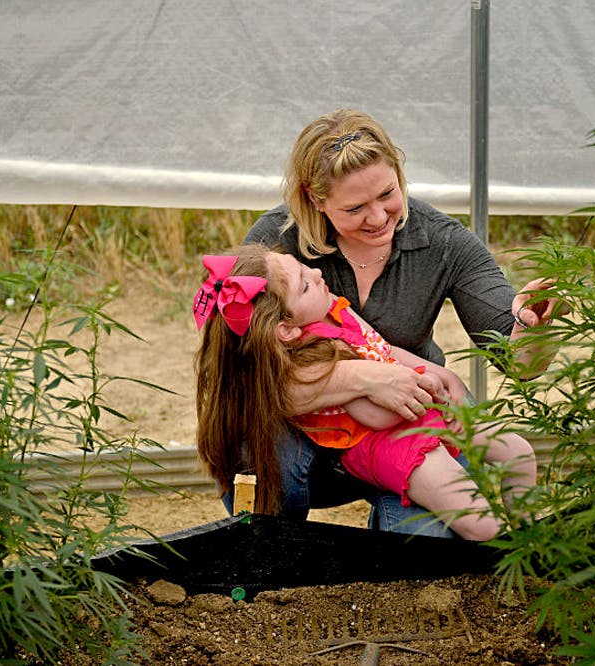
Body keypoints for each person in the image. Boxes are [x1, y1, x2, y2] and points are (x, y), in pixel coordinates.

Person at [241, 108, 562, 536]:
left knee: (423, 550)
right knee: (261, 449)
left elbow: (517, 360)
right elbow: (242, 374)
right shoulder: (274, 251)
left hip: (410, 426)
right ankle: (266, 551)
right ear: (316, 200)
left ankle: (503, 540)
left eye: (388, 195)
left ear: (398, 171)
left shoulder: (444, 241)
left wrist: (533, 327)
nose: (377, 218)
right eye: (355, 207)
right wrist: (368, 379)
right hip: (310, 431)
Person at [193, 245, 537, 540]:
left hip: (423, 412)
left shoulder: (335, 312)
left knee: (518, 451)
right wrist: (411, 386)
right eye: (304, 285)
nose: (315, 272)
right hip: (398, 443)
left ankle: (531, 534)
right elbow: (379, 416)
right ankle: (500, 559)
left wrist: (434, 373)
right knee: (480, 523)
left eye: (304, 269)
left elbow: (380, 348)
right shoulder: (312, 356)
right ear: (285, 328)